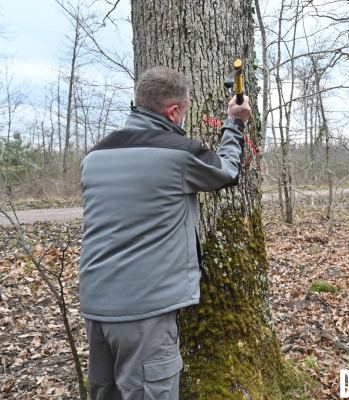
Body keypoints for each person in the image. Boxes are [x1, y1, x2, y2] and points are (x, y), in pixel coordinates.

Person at [79, 66, 251, 400]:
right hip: (143, 314)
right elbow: (227, 170)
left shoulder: (94, 156)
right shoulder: (179, 152)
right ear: (174, 112)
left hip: (95, 307)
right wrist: (235, 121)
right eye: (185, 112)